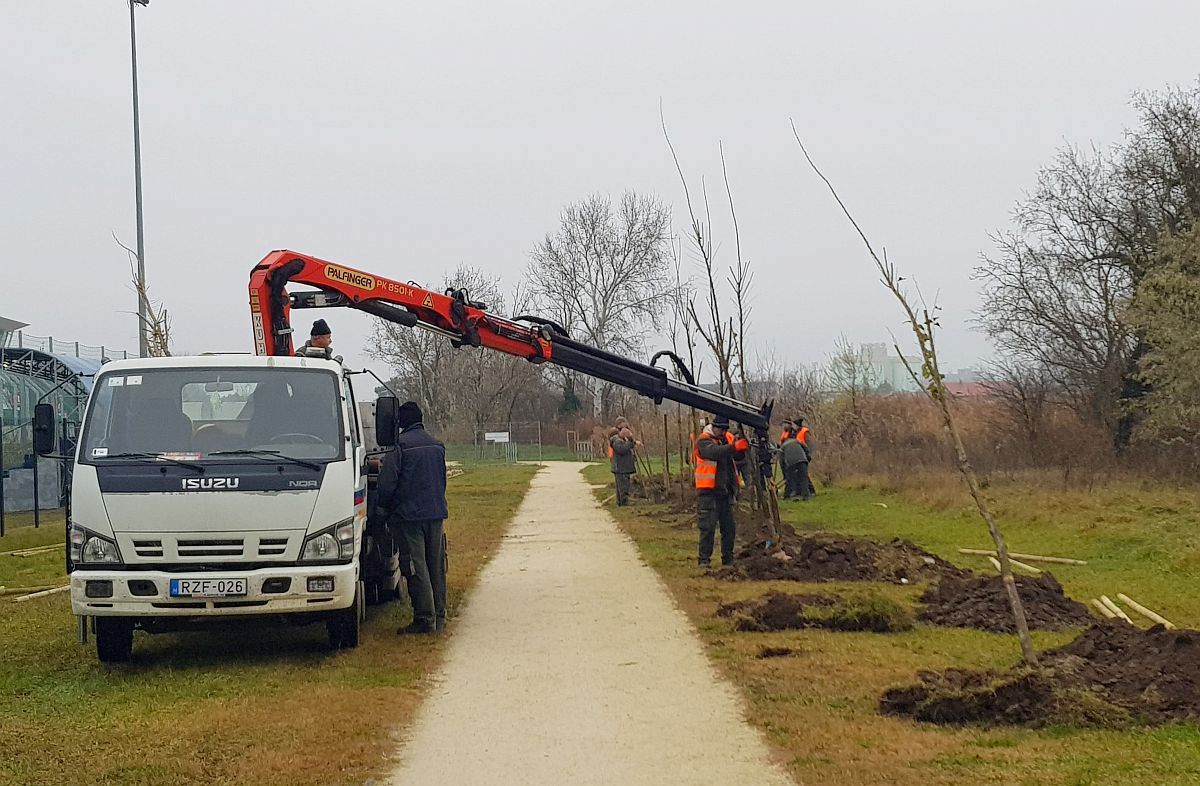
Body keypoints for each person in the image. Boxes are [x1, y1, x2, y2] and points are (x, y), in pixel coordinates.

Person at [375, 401, 449, 634]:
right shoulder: (437, 445)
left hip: (409, 517)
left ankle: (425, 620)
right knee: (435, 564)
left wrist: (382, 510)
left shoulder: (400, 447)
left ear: (401, 423)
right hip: (435, 513)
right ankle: (439, 615)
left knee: (417, 567)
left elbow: (387, 484)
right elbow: (442, 480)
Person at [694, 415, 749, 567]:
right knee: (708, 528)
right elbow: (714, 452)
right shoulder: (703, 441)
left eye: (725, 430)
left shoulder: (725, 439)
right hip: (708, 492)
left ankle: (728, 559)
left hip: (725, 492)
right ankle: (704, 560)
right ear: (714, 427)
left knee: (729, 528)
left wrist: (741, 447)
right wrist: (734, 447)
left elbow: (736, 455)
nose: (723, 432)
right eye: (721, 429)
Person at [608, 417, 638, 506]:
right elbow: (621, 449)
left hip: (623, 467)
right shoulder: (616, 440)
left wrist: (633, 442)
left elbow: (626, 445)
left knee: (622, 486)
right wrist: (630, 443)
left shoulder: (621, 438)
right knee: (623, 487)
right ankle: (624, 503)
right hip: (621, 467)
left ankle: (621, 503)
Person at [779, 431, 812, 501]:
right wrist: (808, 457)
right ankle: (806, 496)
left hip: (791, 462)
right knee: (803, 478)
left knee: (791, 479)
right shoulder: (797, 441)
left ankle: (790, 495)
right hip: (802, 460)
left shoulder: (782, 447)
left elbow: (781, 461)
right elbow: (806, 448)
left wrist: (784, 473)